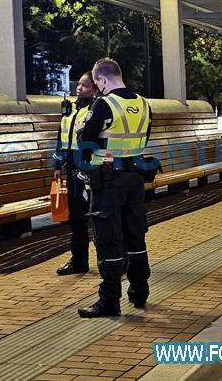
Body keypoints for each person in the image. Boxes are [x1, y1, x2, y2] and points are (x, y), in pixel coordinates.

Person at [77, 58, 152, 318]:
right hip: (134, 179)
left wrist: (79, 130)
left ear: (101, 80)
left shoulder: (104, 104)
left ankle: (109, 301)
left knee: (108, 240)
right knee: (136, 236)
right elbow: (145, 138)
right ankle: (140, 291)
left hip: (108, 182)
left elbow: (86, 143)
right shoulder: (143, 103)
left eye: (97, 83)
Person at [54, 72, 98, 276]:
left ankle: (110, 259)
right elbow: (61, 138)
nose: (80, 88)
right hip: (72, 167)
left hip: (90, 167)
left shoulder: (97, 109)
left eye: (86, 85)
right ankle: (79, 260)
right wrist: (57, 165)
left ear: (96, 88)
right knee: (76, 216)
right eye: (79, 85)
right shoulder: (69, 109)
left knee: (97, 215)